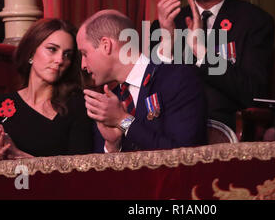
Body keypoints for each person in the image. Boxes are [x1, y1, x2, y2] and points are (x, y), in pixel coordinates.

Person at [153, 0, 275, 134]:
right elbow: (150, 95)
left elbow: (253, 92)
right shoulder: (167, 23)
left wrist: (203, 53)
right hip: (170, 131)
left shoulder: (254, 21)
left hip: (221, 129)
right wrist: (167, 41)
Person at [77, 9, 207, 153]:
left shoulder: (177, 78)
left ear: (106, 45)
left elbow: (184, 154)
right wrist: (113, 145)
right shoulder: (109, 101)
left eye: (85, 53)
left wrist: (123, 121)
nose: (83, 64)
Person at [0, 19, 93, 160]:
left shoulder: (77, 106)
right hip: (8, 183)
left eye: (67, 55)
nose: (60, 60)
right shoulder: (5, 103)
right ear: (31, 52)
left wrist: (20, 157)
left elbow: (81, 171)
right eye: (52, 49)